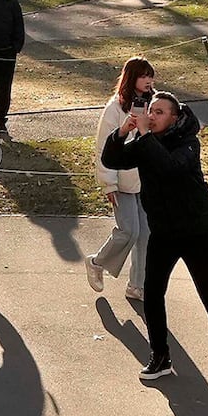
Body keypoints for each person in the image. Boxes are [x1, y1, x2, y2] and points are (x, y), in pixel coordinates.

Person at [101, 92, 208, 382]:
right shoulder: (144, 143)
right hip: (163, 229)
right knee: (152, 292)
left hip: (195, 229)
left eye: (160, 112)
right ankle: (160, 356)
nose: (152, 116)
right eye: (151, 110)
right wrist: (122, 132)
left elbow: (170, 167)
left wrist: (145, 137)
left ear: (174, 118)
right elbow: (111, 158)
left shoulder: (188, 142)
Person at [84, 59, 158, 298]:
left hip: (146, 183)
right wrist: (109, 183)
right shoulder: (115, 108)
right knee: (129, 231)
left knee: (146, 235)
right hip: (122, 183)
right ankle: (97, 262)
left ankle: (137, 286)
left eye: (150, 76)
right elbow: (104, 146)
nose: (148, 81)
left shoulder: (155, 104)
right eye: (143, 76)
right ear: (131, 78)